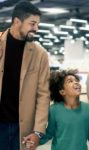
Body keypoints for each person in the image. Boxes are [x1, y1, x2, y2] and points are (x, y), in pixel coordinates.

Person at [0, 1, 50, 150]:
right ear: (17, 21)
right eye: (32, 23)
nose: (36, 28)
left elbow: (43, 95)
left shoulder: (40, 54)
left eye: (37, 24)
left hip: (23, 130)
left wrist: (38, 131)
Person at [36, 69, 89, 150]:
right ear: (62, 91)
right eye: (70, 81)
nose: (76, 82)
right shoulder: (54, 110)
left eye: (76, 80)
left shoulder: (88, 109)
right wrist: (34, 141)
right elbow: (49, 133)